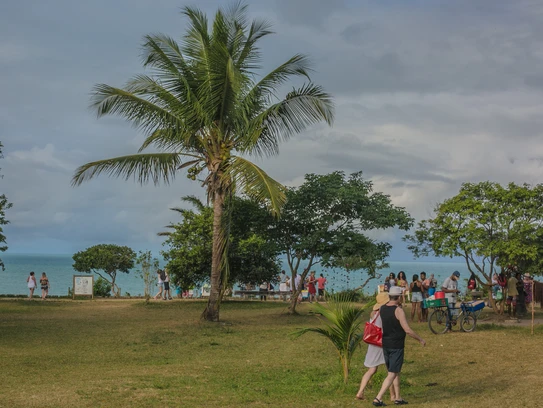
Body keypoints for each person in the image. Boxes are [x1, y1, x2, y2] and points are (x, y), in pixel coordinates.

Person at [372, 286, 426, 406]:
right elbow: (407, 330)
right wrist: (420, 339)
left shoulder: (382, 309)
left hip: (385, 344)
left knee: (394, 371)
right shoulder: (398, 310)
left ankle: (398, 397)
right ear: (399, 297)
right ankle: (378, 398)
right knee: (392, 373)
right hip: (396, 345)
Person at [355, 293, 396, 402]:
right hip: (382, 343)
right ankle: (393, 395)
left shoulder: (373, 313)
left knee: (372, 369)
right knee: (391, 370)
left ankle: (360, 391)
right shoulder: (385, 313)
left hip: (373, 343)